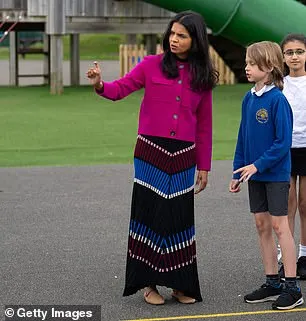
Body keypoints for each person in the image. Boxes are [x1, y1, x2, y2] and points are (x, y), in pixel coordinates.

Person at [87, 11, 218, 305]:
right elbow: (120, 89)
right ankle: (148, 285)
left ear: (195, 40)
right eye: (172, 33)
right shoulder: (150, 64)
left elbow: (205, 125)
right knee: (150, 215)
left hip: (184, 155)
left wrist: (205, 166)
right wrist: (99, 84)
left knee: (180, 219)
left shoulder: (203, 77)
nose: (174, 39)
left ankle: (181, 285)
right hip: (150, 152)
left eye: (181, 35)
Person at [229, 41, 304, 310]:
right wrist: (238, 170)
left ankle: (292, 288)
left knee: (279, 226)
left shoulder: (278, 101)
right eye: (247, 62)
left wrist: (257, 165)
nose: (246, 67)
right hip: (253, 173)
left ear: (269, 67)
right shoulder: (248, 98)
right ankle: (272, 281)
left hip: (274, 174)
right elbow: (243, 137)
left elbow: (282, 143)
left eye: (252, 63)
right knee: (262, 226)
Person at [277, 34, 306, 280]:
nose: (295, 56)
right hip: (285, 149)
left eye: (299, 51)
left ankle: (304, 254)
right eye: (289, 52)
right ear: (283, 57)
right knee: (288, 205)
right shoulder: (280, 85)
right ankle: (285, 257)